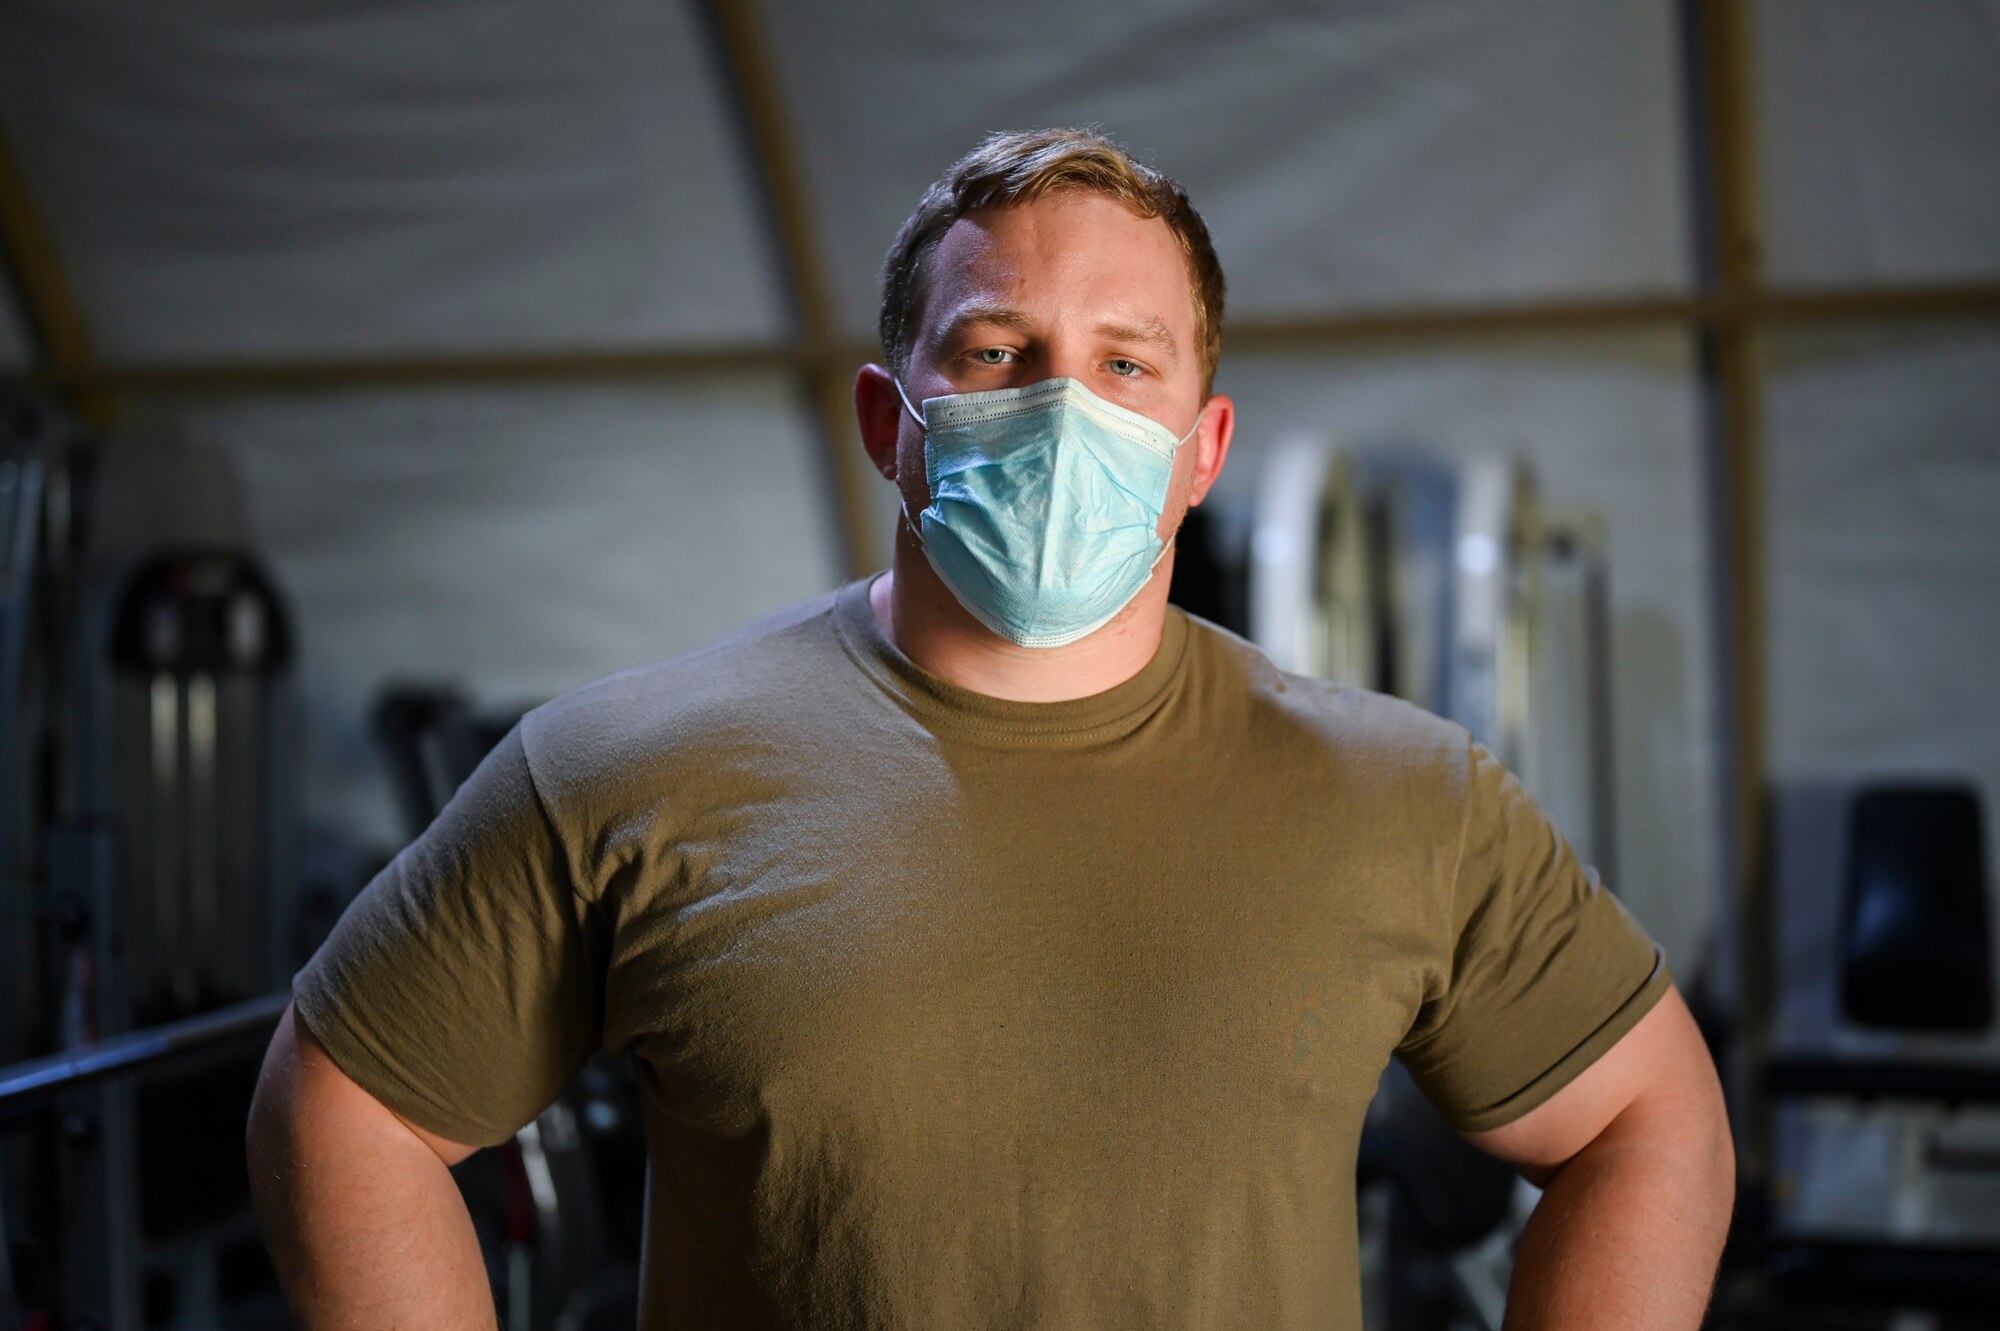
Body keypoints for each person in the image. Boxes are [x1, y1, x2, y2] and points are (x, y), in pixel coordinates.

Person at [248, 127, 1734, 1329]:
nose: (1063, 408)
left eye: (1125, 364)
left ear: (1200, 450)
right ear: (890, 424)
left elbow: (1650, 1125)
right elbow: (340, 1108)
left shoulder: (1405, 795)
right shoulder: (627, 768)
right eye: (996, 352)